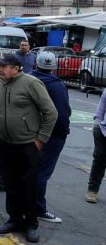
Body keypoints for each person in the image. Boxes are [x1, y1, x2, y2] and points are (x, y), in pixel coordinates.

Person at [0, 53, 57, 243]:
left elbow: (50, 112)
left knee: (28, 185)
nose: (1, 70)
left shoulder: (31, 83)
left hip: (28, 144)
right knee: (10, 184)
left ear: (16, 68)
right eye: (0, 66)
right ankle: (14, 220)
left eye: (5, 67)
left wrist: (40, 140)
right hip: (5, 143)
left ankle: (31, 224)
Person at [30, 52, 71, 223]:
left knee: (29, 170)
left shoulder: (28, 80)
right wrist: (63, 133)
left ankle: (24, 204)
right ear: (53, 67)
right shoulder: (56, 86)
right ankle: (38, 208)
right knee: (42, 173)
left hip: (29, 132)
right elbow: (61, 114)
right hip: (51, 135)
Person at [87, 89, 106, 204]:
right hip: (102, 130)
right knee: (99, 160)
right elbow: (101, 108)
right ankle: (92, 191)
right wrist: (97, 124)